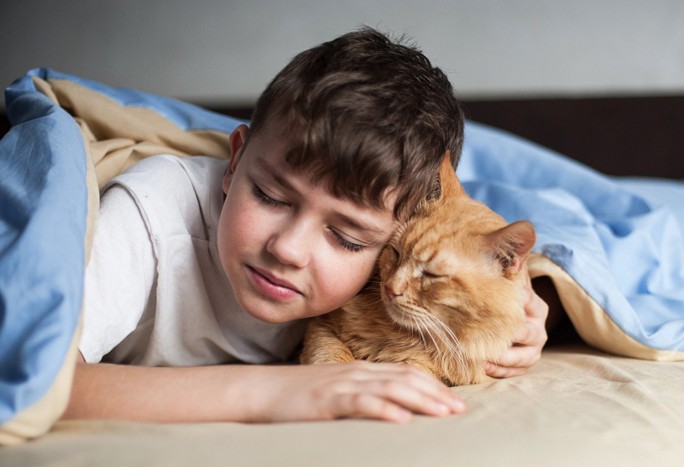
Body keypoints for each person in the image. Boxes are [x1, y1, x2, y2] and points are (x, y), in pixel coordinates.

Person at [63, 27, 548, 424]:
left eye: (347, 237)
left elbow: (476, 257)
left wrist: (524, 323)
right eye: (271, 196)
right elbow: (37, 379)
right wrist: (272, 391)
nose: (289, 250)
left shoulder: (396, 264)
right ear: (234, 164)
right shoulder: (149, 213)